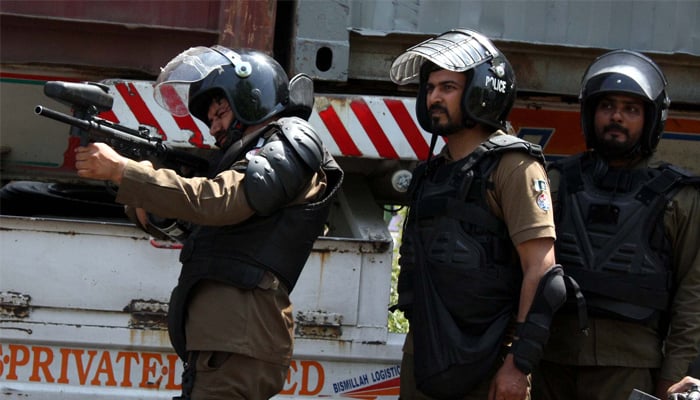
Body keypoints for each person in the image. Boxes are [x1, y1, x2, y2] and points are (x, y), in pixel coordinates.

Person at [74, 45, 343, 399]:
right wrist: (134, 185)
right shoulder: (239, 162)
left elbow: (219, 201)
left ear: (253, 96)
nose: (214, 126)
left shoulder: (289, 139)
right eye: (210, 119)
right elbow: (185, 221)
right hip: (224, 342)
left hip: (239, 341)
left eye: (220, 112)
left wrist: (125, 171)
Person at [389, 29, 578, 400]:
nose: (434, 98)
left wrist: (518, 364)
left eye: (447, 87)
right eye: (429, 88)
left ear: (482, 92)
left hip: (490, 362)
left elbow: (542, 273)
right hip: (427, 357)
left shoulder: (513, 167)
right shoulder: (431, 173)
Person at [532, 50, 700, 399]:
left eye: (631, 109)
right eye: (607, 106)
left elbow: (692, 298)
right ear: (590, 113)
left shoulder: (679, 199)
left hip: (630, 366)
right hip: (551, 357)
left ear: (652, 119)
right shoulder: (555, 181)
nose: (617, 117)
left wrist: (674, 376)